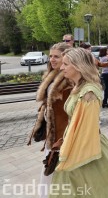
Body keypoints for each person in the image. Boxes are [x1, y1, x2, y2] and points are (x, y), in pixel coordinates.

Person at [51, 48, 108, 198]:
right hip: (75, 143)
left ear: (78, 65)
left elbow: (86, 129)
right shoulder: (78, 87)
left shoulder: (89, 93)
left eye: (66, 64)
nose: (61, 67)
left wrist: (67, 149)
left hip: (85, 147)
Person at [28, 43, 72, 198]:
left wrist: (62, 138)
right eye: (51, 56)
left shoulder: (68, 81)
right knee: (49, 169)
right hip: (51, 132)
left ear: (66, 58)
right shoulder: (52, 75)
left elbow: (70, 114)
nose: (52, 59)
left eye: (57, 56)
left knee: (55, 169)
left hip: (61, 134)